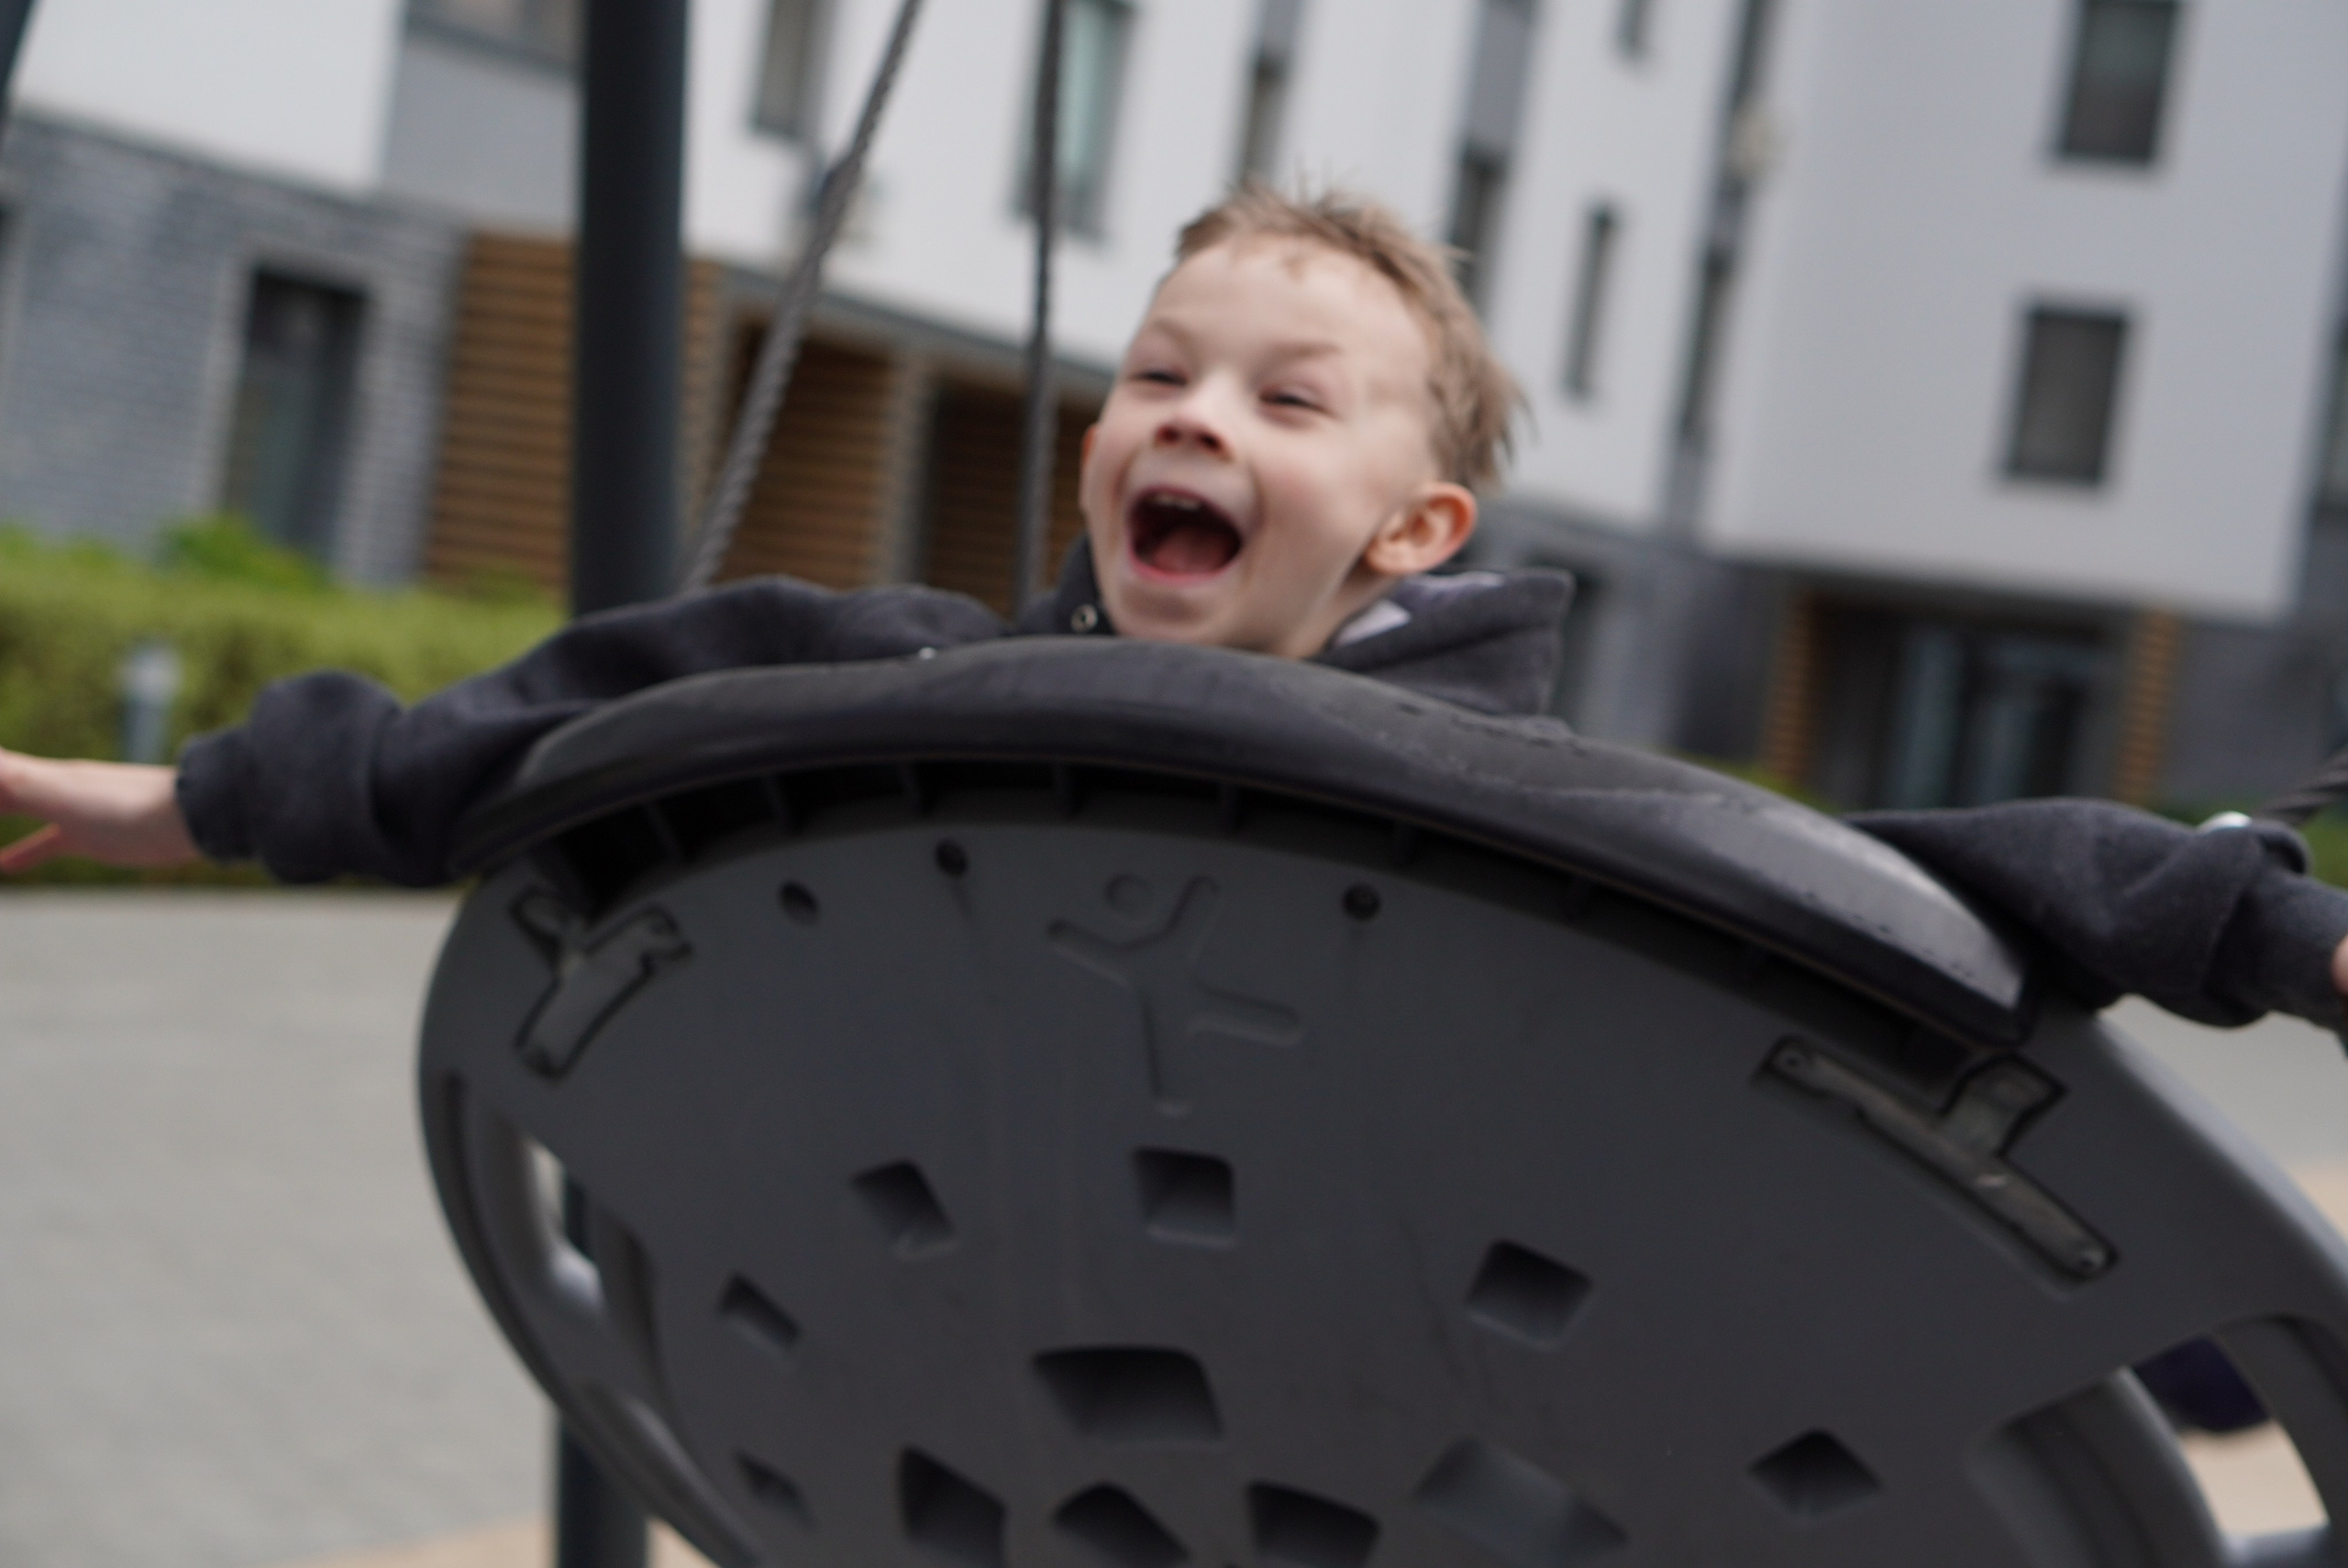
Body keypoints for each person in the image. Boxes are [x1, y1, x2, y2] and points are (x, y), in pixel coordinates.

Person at [1, 184, 2343, 1034]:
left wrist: (2263, 931)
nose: (1189, 418)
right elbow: (556, 727)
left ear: (1414, 533)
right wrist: (199, 800)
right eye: (1154, 375)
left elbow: (1886, 884)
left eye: (1283, 401)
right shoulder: (919, 684)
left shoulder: (1505, 798)